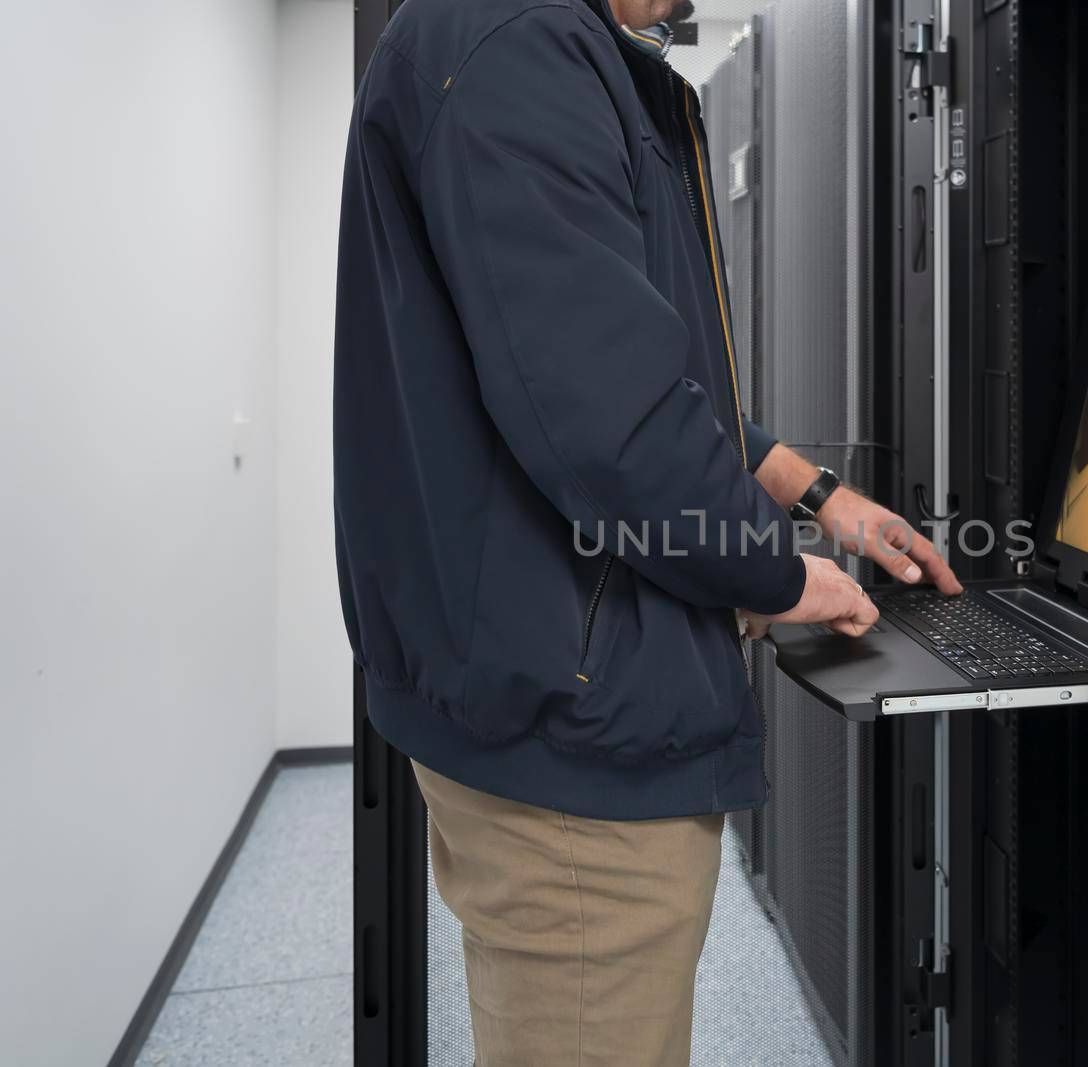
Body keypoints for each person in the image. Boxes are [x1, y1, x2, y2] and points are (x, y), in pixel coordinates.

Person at [333, 0, 961, 1062]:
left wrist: (816, 493)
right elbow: (607, 422)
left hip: (542, 688)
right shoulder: (516, 45)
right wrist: (779, 573)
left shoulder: (507, 43)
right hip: (576, 730)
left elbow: (627, 372)